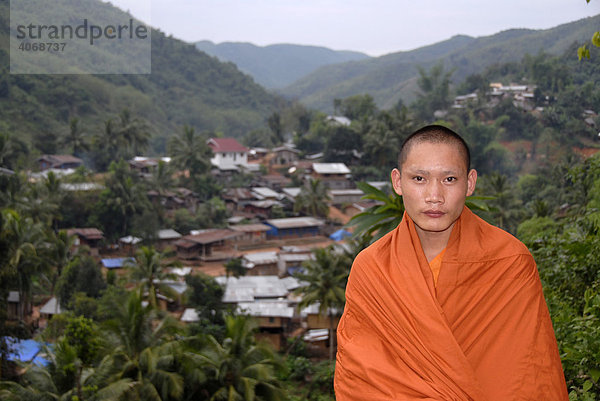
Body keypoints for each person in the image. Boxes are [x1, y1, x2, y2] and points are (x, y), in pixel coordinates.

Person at [334, 125, 568, 400]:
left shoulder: (509, 261)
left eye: (449, 179)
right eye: (419, 178)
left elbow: (527, 377)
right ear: (398, 182)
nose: (435, 195)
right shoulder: (372, 268)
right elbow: (361, 377)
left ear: (470, 183)